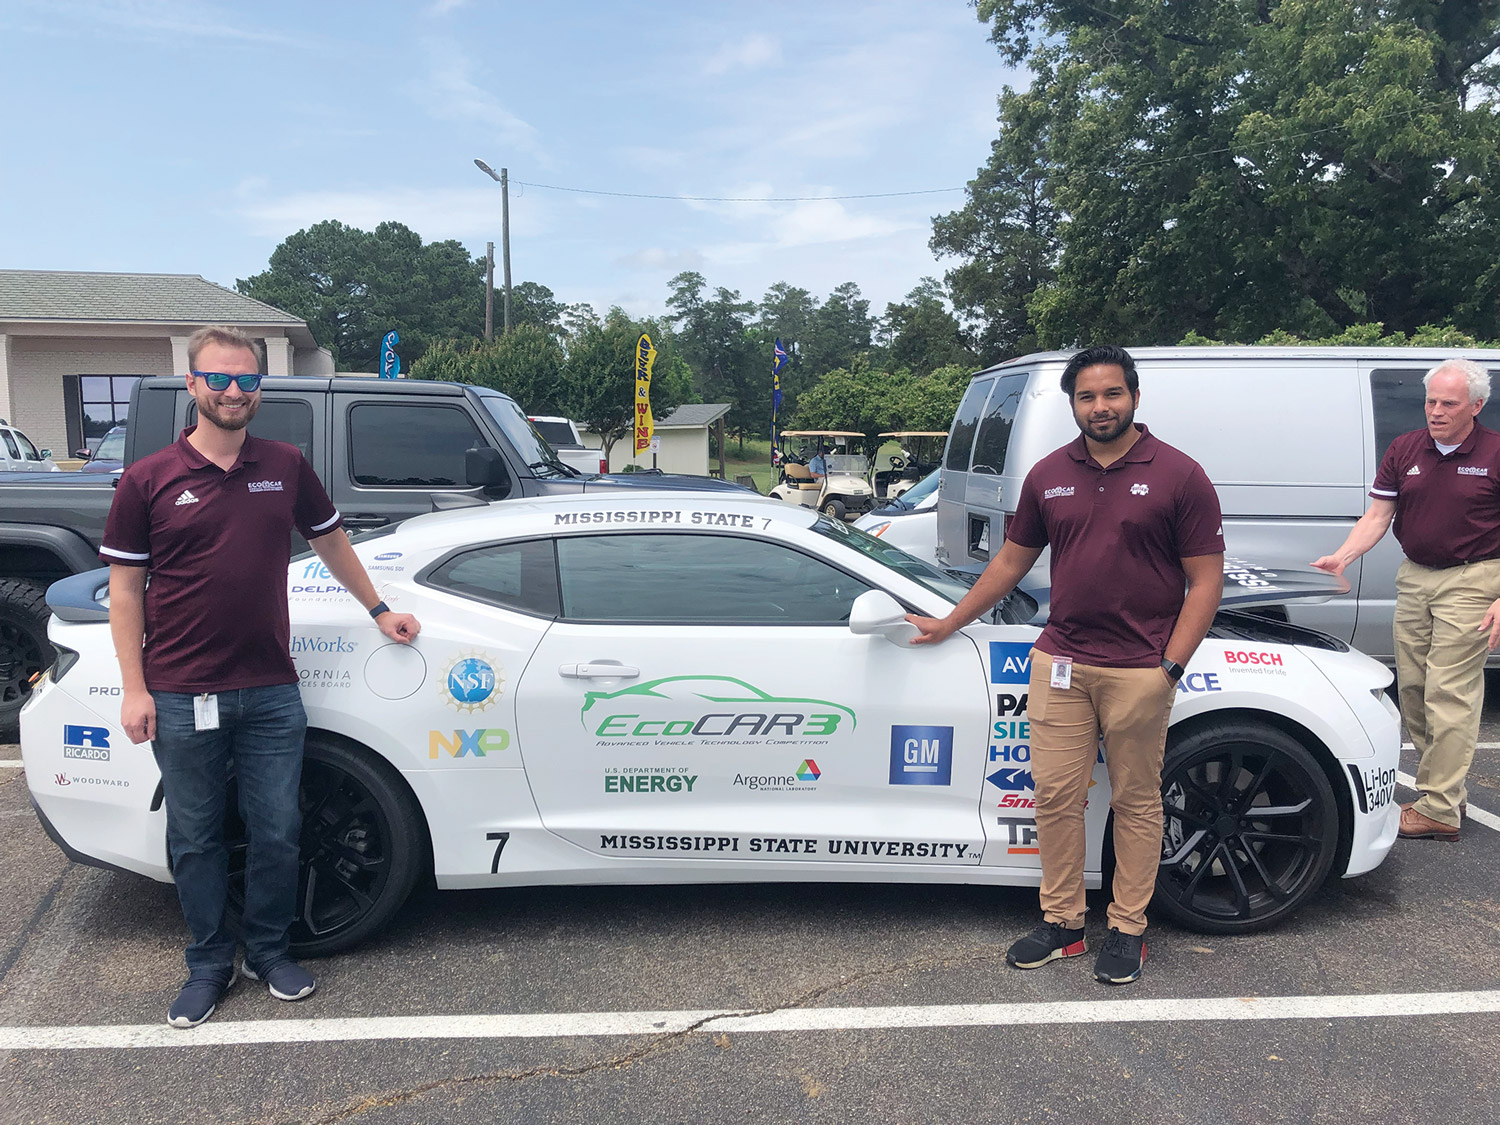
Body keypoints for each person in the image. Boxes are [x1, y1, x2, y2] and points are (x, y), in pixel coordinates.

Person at [100, 325, 421, 1029]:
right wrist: (134, 686)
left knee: (278, 828)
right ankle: (210, 963)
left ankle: (270, 951)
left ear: (259, 388)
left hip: (271, 688)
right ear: (193, 386)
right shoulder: (148, 480)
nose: (234, 391)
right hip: (182, 691)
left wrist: (378, 608)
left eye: (247, 380)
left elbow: (330, 538)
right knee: (196, 835)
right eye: (220, 379)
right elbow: (126, 590)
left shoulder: (285, 463)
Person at [908, 345, 1223, 985]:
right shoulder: (1049, 474)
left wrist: (1169, 669)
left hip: (1140, 668)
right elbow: (1008, 564)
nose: (1100, 407)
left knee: (1136, 802)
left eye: (1112, 394)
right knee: (1054, 797)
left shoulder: (1179, 475)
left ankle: (1128, 928)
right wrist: (948, 622)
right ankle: (1064, 924)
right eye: (1087, 396)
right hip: (1060, 662)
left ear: (1134, 396)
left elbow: (1206, 581)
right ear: (1071, 402)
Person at [1313, 358, 1500, 842]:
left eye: (1448, 403)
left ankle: (1439, 809)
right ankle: (1446, 791)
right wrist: (1343, 556)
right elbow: (1378, 516)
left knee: (1449, 692)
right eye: (1430, 400)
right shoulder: (1406, 448)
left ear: (1477, 406)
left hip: (1475, 577)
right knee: (1413, 690)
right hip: (1416, 576)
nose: (1435, 411)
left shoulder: (1496, 453)